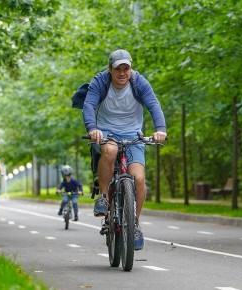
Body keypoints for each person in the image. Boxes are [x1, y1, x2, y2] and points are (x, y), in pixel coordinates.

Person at [83, 49, 167, 250]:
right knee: (110, 152)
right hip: (105, 134)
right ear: (110, 69)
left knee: (138, 178)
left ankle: (134, 224)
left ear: (131, 68)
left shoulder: (139, 83)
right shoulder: (100, 82)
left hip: (133, 137)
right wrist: (93, 129)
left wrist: (160, 130)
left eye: (126, 68)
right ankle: (104, 196)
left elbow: (154, 105)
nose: (122, 73)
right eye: (117, 69)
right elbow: (89, 105)